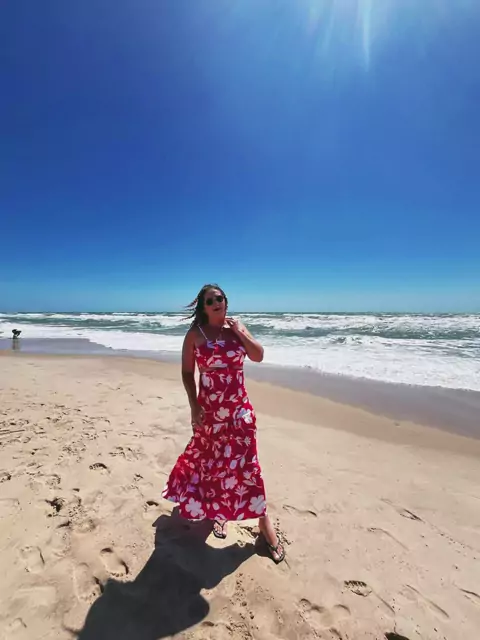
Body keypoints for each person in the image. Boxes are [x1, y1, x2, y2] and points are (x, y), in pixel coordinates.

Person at [162, 284, 285, 564]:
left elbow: (258, 355)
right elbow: (187, 372)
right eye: (209, 300)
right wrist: (194, 405)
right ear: (203, 308)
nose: (216, 302)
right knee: (215, 466)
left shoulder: (236, 329)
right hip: (210, 413)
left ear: (226, 301)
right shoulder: (195, 335)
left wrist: (241, 331)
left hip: (240, 411)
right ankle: (220, 513)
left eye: (219, 298)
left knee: (249, 467)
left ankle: (264, 524)